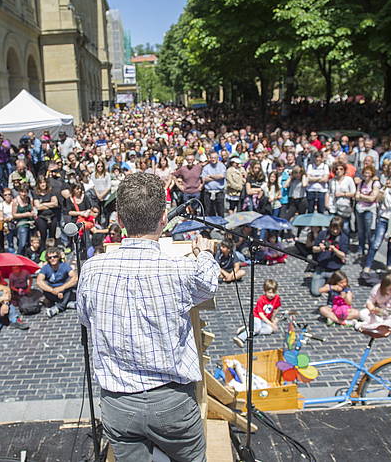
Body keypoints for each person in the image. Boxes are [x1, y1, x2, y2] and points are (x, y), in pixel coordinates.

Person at [76, 172, 219, 462]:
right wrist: (204, 252)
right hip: (172, 403)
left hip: (117, 403)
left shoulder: (91, 269)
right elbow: (208, 282)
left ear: (118, 220)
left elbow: (86, 320)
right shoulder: (180, 270)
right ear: (164, 218)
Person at [233, 279, 281, 348]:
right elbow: (260, 314)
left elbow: (276, 308)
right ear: (265, 291)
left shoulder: (276, 298)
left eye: (273, 293)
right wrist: (271, 324)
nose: (271, 295)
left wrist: (273, 319)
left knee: (270, 330)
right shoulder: (261, 299)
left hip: (265, 319)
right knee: (257, 329)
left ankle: (249, 328)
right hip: (256, 317)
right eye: (269, 292)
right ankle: (240, 338)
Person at [310, 216, 348, 296]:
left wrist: (334, 249)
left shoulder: (344, 238)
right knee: (315, 292)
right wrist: (320, 248)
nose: (335, 231)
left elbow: (343, 255)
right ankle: (327, 284)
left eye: (337, 229)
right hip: (321, 268)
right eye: (333, 228)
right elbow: (314, 249)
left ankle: (329, 286)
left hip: (334, 271)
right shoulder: (323, 234)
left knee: (342, 291)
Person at [36, 247, 78, 318]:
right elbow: (39, 281)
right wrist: (53, 290)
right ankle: (66, 304)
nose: (52, 259)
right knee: (45, 288)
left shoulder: (65, 266)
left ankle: (58, 308)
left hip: (64, 290)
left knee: (70, 287)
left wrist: (62, 288)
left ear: (59, 257)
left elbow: (75, 277)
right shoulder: (45, 268)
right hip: (52, 291)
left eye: (55, 257)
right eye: (50, 257)